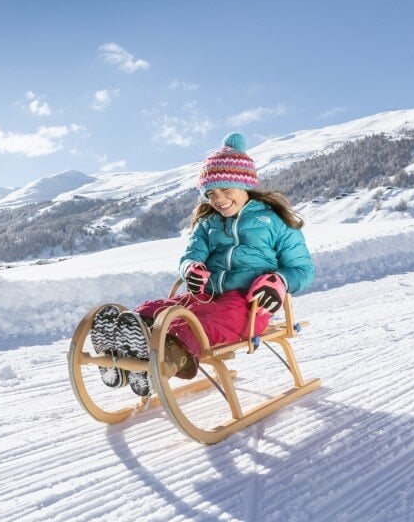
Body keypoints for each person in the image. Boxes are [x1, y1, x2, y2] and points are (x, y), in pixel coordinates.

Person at [89, 132, 314, 396]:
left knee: (196, 324)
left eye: (226, 190)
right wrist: (191, 269)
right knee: (156, 310)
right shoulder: (208, 223)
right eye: (211, 193)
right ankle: (124, 350)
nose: (218, 199)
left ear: (245, 185)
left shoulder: (274, 222)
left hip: (247, 305)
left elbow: (302, 269)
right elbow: (191, 255)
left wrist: (281, 281)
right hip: (205, 296)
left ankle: (166, 361)